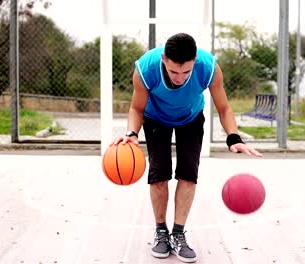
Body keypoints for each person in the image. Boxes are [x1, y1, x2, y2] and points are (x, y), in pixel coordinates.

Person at [113, 33, 263, 263]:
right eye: (174, 72)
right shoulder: (146, 67)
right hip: (155, 119)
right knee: (159, 175)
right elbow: (136, 108)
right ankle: (161, 232)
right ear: (164, 59)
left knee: (188, 176)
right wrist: (132, 134)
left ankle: (178, 233)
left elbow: (223, 108)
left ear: (195, 61)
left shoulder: (208, 67)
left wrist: (234, 137)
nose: (180, 78)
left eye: (186, 72)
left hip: (191, 119)